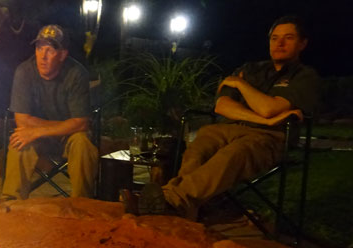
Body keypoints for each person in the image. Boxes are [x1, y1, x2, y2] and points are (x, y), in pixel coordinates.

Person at [125, 15, 320, 219]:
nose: (279, 43)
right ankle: (183, 204)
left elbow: (270, 109)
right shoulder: (250, 69)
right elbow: (222, 105)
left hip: (269, 137)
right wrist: (264, 117)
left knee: (231, 155)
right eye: (274, 38)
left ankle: (172, 200)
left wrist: (241, 85)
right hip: (232, 128)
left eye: (288, 38)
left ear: (302, 44)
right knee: (198, 148)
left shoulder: (305, 77)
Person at [0, 24, 98, 201]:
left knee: (82, 143)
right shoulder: (24, 71)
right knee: (19, 139)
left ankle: (83, 204)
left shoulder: (77, 74)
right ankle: (11, 202)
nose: (42, 57)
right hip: (49, 135)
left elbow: (82, 123)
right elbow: (22, 120)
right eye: (39, 48)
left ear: (62, 55)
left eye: (50, 50)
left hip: (69, 137)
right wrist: (65, 125)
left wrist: (37, 129)